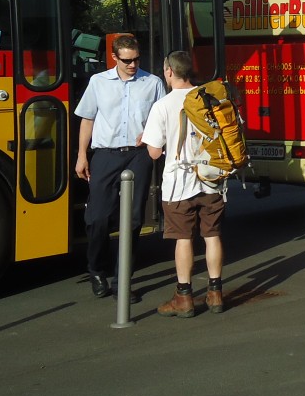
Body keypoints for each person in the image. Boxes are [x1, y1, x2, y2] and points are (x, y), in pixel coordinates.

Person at [75, 34, 165, 298]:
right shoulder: (98, 82)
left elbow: (162, 117)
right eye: (127, 60)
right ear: (114, 57)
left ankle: (122, 281)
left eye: (136, 59)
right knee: (98, 218)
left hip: (138, 155)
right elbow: (88, 119)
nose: (132, 65)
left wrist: (151, 133)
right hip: (105, 154)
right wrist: (82, 155)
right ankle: (97, 269)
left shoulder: (153, 82)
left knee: (134, 218)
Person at [142, 50, 227, 318]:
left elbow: (154, 152)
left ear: (169, 72)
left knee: (183, 238)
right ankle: (215, 294)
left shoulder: (163, 105)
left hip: (180, 183)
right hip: (211, 179)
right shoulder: (209, 97)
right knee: (212, 235)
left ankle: (184, 297)